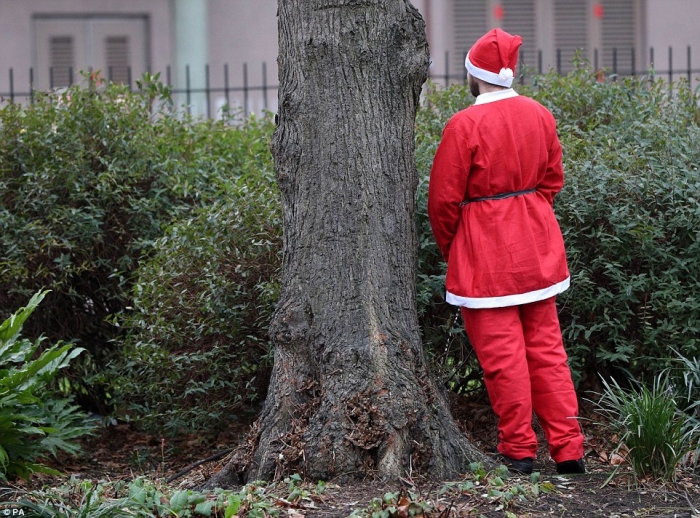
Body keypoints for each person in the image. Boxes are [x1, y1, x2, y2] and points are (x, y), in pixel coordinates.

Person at [427, 28, 585, 475]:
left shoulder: (463, 125)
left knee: (503, 359)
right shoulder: (539, 114)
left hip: (484, 259)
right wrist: (528, 216)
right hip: (538, 251)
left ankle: (518, 451)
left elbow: (442, 202)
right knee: (548, 352)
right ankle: (569, 450)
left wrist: (456, 246)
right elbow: (552, 181)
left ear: (473, 75)